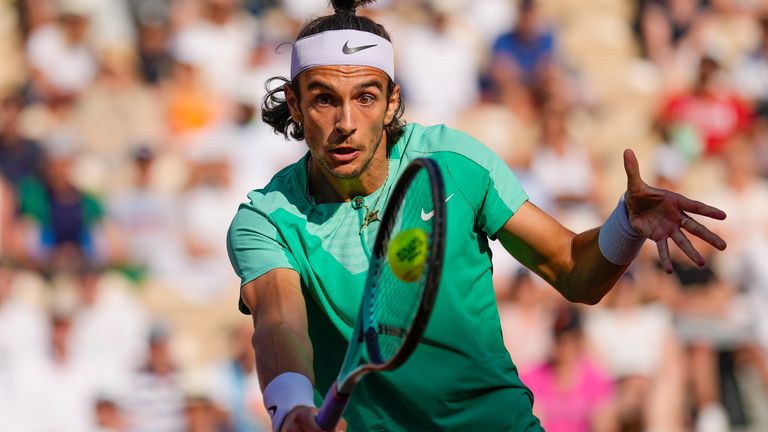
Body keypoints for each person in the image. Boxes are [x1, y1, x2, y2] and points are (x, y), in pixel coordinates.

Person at [226, 1, 727, 431]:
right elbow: (279, 323)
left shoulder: (453, 164)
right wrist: (290, 407)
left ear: (391, 101)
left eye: (365, 97)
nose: (345, 124)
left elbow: (576, 275)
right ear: (293, 103)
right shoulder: (266, 220)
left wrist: (625, 226)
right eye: (322, 100)